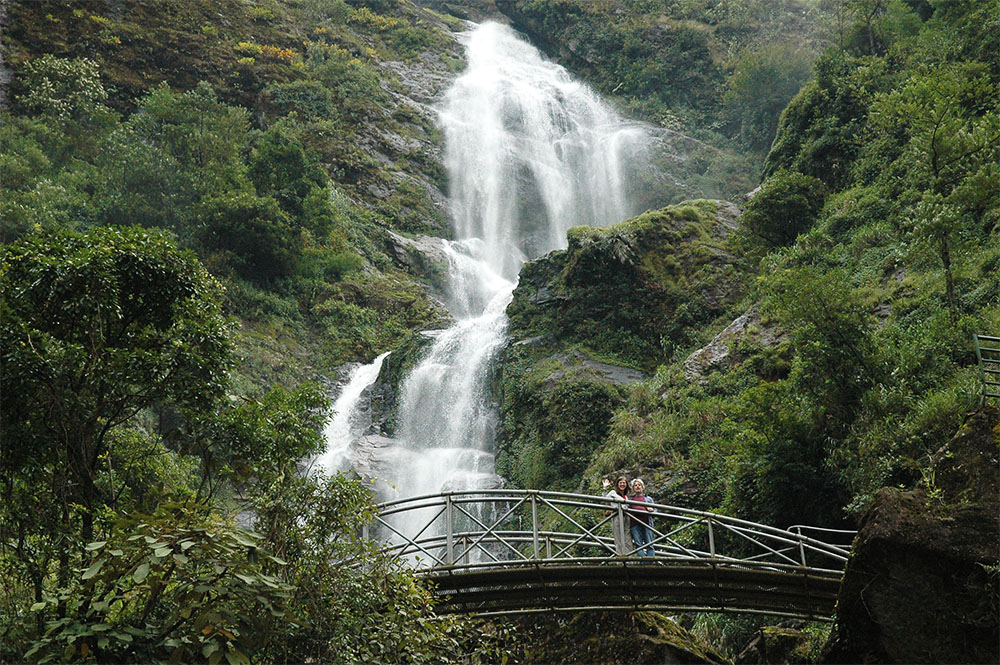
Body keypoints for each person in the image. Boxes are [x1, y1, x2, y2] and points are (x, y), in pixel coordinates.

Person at [601, 476, 630, 556]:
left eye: (624, 483)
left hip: (626, 518)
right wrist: (604, 488)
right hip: (617, 517)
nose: (622, 484)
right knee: (618, 539)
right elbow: (604, 499)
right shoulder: (613, 493)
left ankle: (629, 559)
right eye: (620, 483)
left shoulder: (626, 497)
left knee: (627, 539)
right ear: (617, 484)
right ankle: (621, 560)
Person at [628, 478, 655, 557]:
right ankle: (642, 563)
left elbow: (655, 511)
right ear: (633, 489)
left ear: (642, 487)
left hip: (647, 523)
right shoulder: (630, 499)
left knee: (649, 543)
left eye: (639, 485)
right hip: (635, 524)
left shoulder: (648, 499)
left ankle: (650, 563)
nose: (637, 487)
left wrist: (652, 510)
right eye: (635, 485)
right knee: (638, 544)